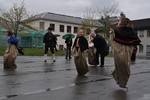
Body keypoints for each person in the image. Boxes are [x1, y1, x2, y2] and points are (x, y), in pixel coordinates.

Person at [110, 17, 141, 88]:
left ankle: (122, 81)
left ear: (122, 22)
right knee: (120, 65)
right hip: (119, 50)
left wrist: (133, 51)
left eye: (119, 21)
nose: (118, 22)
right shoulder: (116, 31)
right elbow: (113, 39)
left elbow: (134, 42)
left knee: (125, 67)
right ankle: (120, 81)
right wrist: (112, 33)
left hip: (127, 51)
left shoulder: (131, 32)